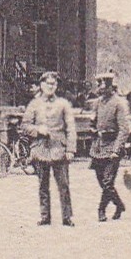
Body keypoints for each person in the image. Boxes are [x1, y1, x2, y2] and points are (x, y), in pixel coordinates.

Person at [23, 71, 75, 226]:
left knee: (64, 184)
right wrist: (38, 130)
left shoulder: (63, 104)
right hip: (41, 149)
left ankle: (67, 217)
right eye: (47, 83)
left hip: (59, 149)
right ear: (41, 85)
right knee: (42, 184)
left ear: (57, 86)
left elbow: (71, 128)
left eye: (54, 84)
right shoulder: (34, 104)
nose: (51, 86)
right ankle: (45, 216)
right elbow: (25, 125)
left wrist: (71, 149)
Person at [88, 71, 131, 221]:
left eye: (102, 85)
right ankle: (119, 204)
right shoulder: (97, 103)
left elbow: (124, 129)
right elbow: (92, 122)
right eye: (98, 85)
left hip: (112, 145)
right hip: (99, 146)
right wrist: (92, 129)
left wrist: (116, 149)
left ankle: (101, 210)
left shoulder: (119, 103)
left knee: (108, 181)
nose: (99, 88)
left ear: (110, 87)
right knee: (101, 180)